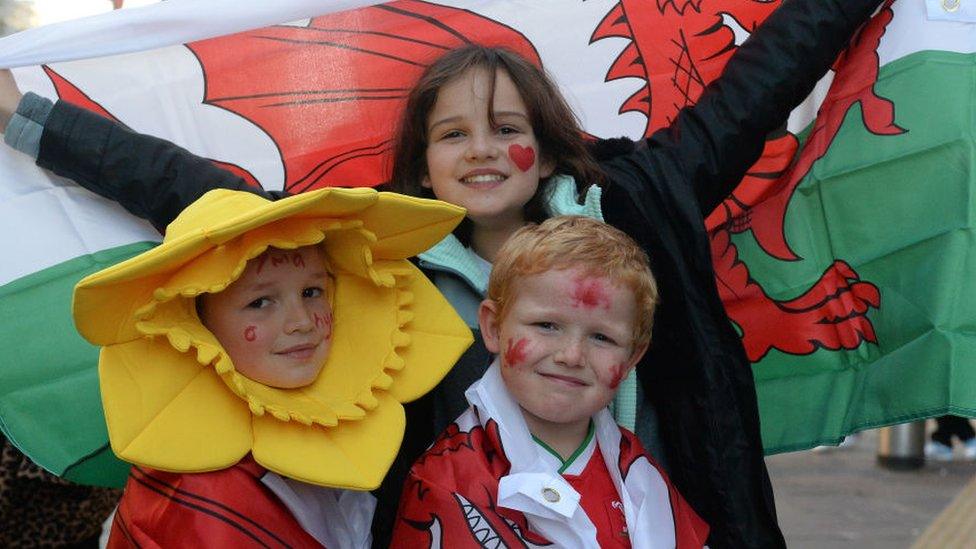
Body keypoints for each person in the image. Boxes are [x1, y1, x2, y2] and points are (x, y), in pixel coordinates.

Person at [0, 1, 887, 545]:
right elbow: (197, 193)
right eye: (453, 134)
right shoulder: (375, 259)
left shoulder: (645, 198)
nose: (485, 149)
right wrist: (23, 115)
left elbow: (760, 85)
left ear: (543, 146)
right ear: (420, 167)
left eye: (508, 126)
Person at [69, 186, 471, 546]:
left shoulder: (352, 431)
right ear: (198, 326)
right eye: (260, 302)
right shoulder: (193, 496)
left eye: (312, 292)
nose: (301, 321)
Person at [392, 216, 709, 547]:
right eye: (546, 326)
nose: (571, 356)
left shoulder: (639, 472)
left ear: (632, 357)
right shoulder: (445, 480)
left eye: (601, 337)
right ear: (494, 327)